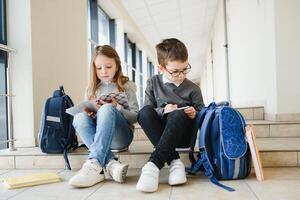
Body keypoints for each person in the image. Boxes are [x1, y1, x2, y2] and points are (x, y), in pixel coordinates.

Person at [136, 38, 204, 192]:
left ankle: (153, 165)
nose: (181, 75)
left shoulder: (193, 88)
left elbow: (203, 114)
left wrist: (195, 114)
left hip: (184, 135)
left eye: (185, 69)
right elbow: (148, 109)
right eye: (175, 71)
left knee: (177, 115)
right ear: (161, 68)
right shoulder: (153, 82)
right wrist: (163, 110)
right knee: (143, 113)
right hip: (160, 134)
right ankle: (174, 161)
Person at [69, 45, 139, 187]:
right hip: (100, 138)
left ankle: (94, 163)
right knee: (79, 117)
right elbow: (89, 118)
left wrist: (117, 108)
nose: (104, 71)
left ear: (117, 66)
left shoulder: (127, 85)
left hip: (121, 138)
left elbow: (136, 117)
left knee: (107, 109)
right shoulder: (91, 89)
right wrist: (92, 114)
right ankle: (110, 165)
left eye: (108, 66)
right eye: (99, 68)